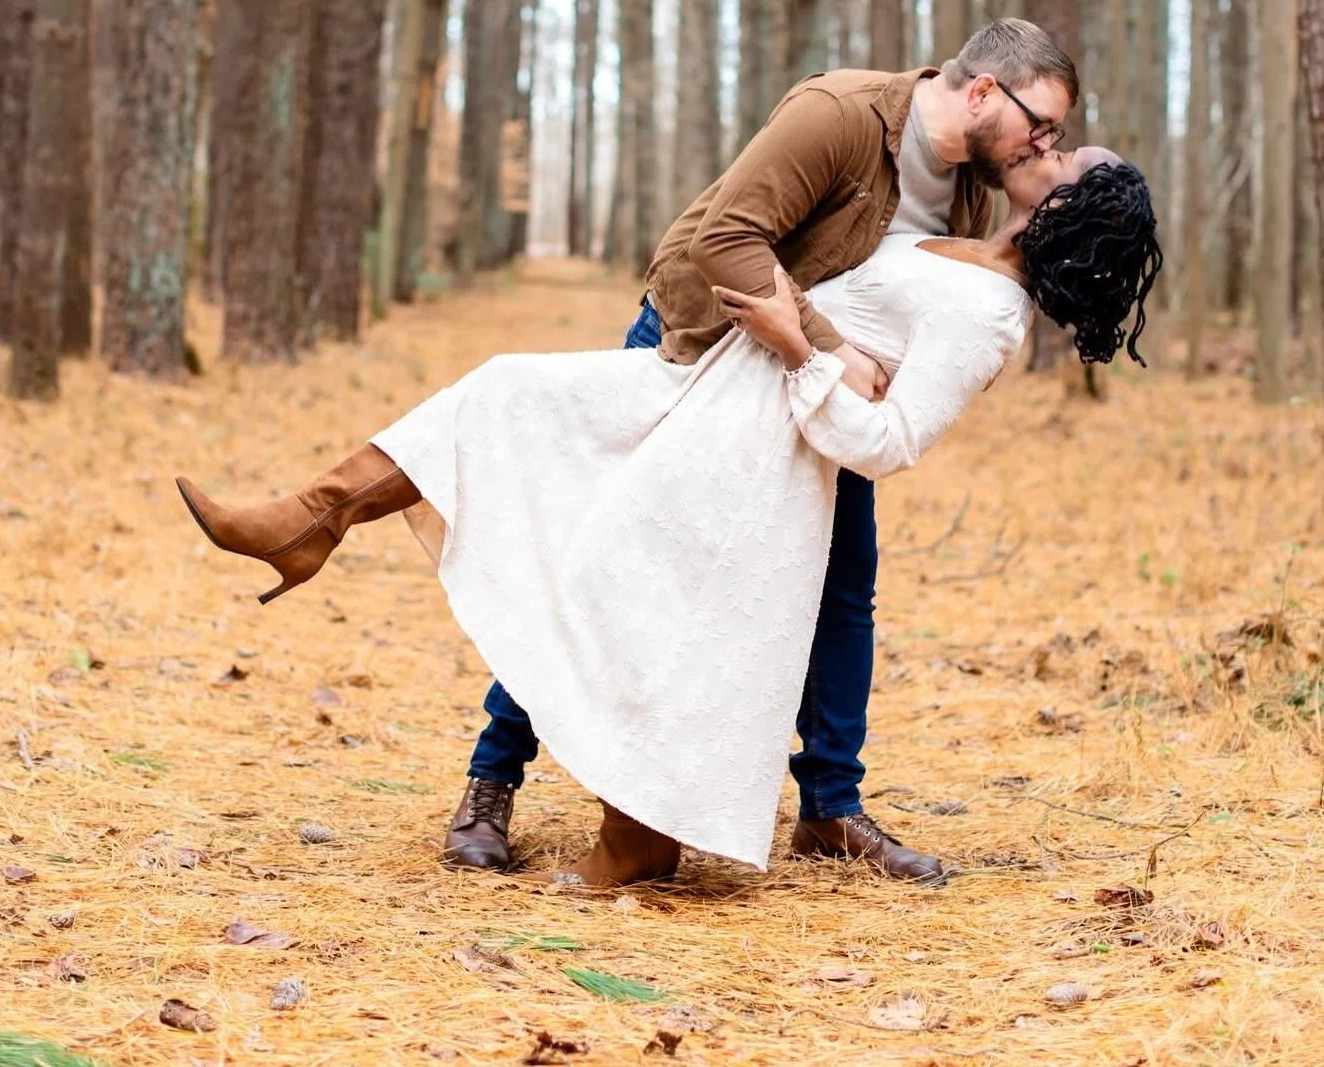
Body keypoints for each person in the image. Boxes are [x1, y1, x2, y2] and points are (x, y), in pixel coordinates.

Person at [177, 142, 1161, 887]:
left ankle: (641, 831)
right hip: (713, 382)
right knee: (506, 394)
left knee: (612, 579)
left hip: (760, 439)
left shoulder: (989, 313)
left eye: (1067, 156)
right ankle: (312, 519)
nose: (1049, 148)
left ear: (1073, 207)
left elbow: (889, 441)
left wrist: (796, 342)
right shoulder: (963, 219)